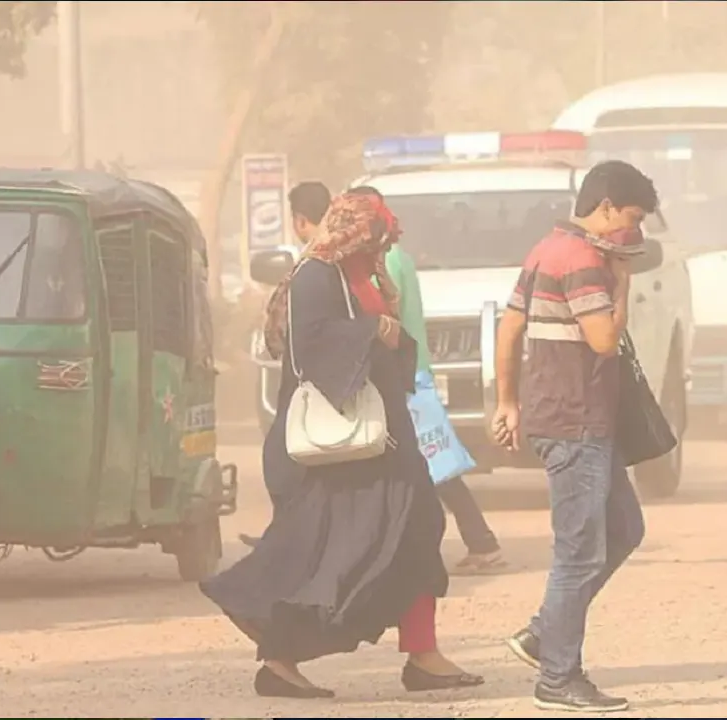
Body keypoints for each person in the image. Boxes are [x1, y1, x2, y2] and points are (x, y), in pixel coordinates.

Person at [202, 192, 483, 699]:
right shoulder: (317, 275)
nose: (381, 249)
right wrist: (375, 328)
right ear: (353, 232)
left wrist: (387, 314)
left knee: (418, 530)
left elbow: (383, 346)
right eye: (376, 238)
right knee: (330, 554)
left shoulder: (360, 277)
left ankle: (423, 654)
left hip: (383, 443)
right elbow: (311, 346)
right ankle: (277, 650)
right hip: (341, 454)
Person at [490, 160, 658, 713]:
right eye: (630, 218)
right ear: (606, 207)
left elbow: (509, 327)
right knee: (580, 553)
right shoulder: (588, 261)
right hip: (576, 421)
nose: (631, 232)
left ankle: (545, 633)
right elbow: (605, 337)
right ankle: (558, 677)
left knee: (624, 529)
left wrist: (508, 401)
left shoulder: (545, 249)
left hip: (564, 417)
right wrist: (624, 278)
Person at [346, 185, 506, 573]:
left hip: (404, 375)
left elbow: (387, 319)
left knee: (434, 465)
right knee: (431, 463)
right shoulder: (398, 256)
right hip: (414, 370)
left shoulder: (383, 261)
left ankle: (480, 541)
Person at [239, 180, 334, 548]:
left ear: (299, 221)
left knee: (284, 462)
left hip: (309, 383)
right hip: (313, 382)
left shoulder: (316, 264)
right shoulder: (326, 260)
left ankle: (289, 545)